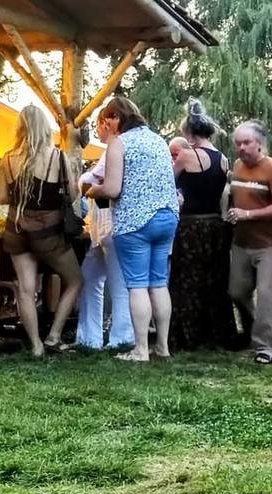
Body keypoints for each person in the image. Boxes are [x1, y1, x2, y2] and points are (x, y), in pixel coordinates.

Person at [88, 97, 180, 362]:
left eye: (107, 121)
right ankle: (162, 346)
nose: (107, 129)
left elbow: (113, 188)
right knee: (159, 283)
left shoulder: (121, 143)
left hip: (136, 222)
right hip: (167, 217)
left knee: (138, 285)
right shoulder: (158, 139)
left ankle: (140, 349)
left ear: (116, 117)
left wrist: (95, 191)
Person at [0, 105, 83, 356]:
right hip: (49, 233)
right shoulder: (57, 157)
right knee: (75, 280)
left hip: (17, 229)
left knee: (25, 287)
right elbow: (74, 193)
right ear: (45, 127)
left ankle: (35, 346)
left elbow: (1, 197)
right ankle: (54, 336)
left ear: (20, 128)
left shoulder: (8, 158)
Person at [168, 98, 238, 351]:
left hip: (191, 226)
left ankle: (187, 335)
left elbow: (168, 182)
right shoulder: (223, 159)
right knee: (216, 280)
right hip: (216, 227)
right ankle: (218, 332)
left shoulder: (187, 155)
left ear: (189, 133)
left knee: (186, 280)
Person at [224, 120, 272, 364]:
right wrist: (231, 212)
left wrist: (249, 214)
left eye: (246, 143)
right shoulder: (238, 166)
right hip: (241, 242)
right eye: (238, 143)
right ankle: (254, 332)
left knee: (265, 295)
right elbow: (234, 197)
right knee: (237, 292)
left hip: (268, 244)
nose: (241, 147)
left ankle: (267, 348)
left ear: (259, 144)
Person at [76, 110, 134, 350]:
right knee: (90, 275)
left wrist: (88, 183)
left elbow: (95, 181)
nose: (97, 131)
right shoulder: (112, 150)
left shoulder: (116, 148)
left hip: (112, 222)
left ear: (107, 124)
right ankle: (90, 337)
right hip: (100, 225)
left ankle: (121, 337)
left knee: (117, 281)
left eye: (99, 126)